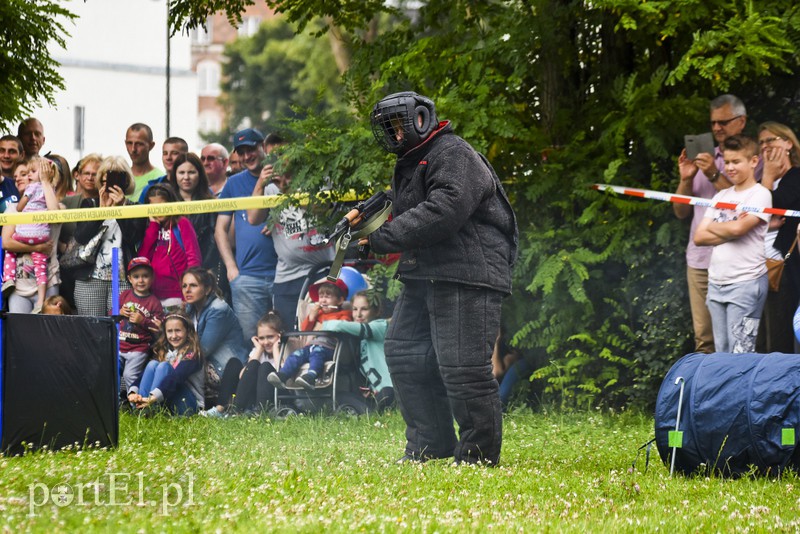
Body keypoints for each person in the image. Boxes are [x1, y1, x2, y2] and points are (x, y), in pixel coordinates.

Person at [365, 91, 517, 465]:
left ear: (420, 119)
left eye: (399, 127)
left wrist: (381, 237)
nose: (396, 136)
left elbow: (444, 209)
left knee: (463, 368)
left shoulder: (454, 153)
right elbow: (410, 206)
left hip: (468, 272)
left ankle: (478, 455)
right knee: (403, 353)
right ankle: (430, 443)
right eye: (390, 130)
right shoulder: (413, 162)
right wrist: (368, 213)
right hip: (427, 271)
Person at [674, 95, 758, 353]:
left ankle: (739, 392)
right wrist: (687, 178)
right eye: (713, 124)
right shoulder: (701, 159)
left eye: (723, 122)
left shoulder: (751, 157)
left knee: (739, 343)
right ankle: (709, 393)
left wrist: (713, 173)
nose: (717, 129)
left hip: (738, 263)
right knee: (705, 341)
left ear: (741, 121)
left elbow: (743, 200)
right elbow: (680, 212)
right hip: (700, 261)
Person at [694, 135, 771, 353]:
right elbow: (699, 237)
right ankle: (725, 389)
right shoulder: (721, 195)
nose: (730, 168)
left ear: (754, 161)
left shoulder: (761, 195)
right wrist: (734, 226)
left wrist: (727, 228)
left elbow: (739, 230)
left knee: (741, 351)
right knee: (722, 351)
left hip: (746, 283)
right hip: (716, 282)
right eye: (727, 162)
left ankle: (742, 389)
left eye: (736, 162)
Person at [247, 152, 334, 327]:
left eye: (289, 175)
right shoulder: (271, 188)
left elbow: (320, 207)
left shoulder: (318, 180)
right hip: (287, 275)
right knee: (287, 333)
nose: (284, 181)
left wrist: (288, 188)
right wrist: (260, 184)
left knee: (319, 330)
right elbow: (253, 219)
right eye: (280, 176)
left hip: (322, 270)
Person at [215, 128, 278, 342]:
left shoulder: (282, 176)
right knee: (251, 340)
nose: (246, 156)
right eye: (241, 152)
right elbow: (220, 229)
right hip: (248, 276)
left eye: (250, 149)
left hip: (285, 273)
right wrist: (231, 268)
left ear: (262, 147)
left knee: (288, 336)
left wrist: (277, 220)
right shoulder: (233, 183)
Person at [72, 156, 146, 316]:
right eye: (105, 182)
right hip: (90, 278)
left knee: (121, 329)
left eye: (116, 182)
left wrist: (120, 209)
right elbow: (81, 237)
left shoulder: (135, 208)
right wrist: (101, 211)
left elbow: (133, 238)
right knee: (92, 328)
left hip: (123, 280)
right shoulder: (89, 204)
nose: (109, 187)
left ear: (126, 182)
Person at [755, 122, 800, 353]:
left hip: (783, 271)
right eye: (761, 142)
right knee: (760, 340)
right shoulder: (763, 182)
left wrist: (768, 177)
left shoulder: (796, 176)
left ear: (788, 143)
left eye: (771, 140)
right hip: (756, 269)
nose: (765, 146)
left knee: (779, 341)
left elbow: (770, 204)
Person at [267, 279, 352, 391]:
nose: (323, 300)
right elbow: (304, 330)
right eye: (321, 296)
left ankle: (311, 377)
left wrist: (325, 323)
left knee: (317, 354)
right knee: (296, 355)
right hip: (311, 346)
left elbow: (343, 326)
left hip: (329, 348)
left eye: (328, 296)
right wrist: (311, 317)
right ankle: (283, 375)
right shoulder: (318, 314)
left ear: (340, 300)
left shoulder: (344, 314)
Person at [1, 160, 62, 313]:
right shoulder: (13, 208)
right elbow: (7, 243)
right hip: (19, 287)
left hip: (48, 283)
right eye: (16, 177)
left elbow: (55, 215)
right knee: (21, 334)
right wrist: (37, 247)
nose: (20, 178)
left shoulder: (54, 205)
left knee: (48, 334)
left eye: (26, 174)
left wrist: (45, 182)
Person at [181, 267, 249, 399]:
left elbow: (203, 350)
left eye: (193, 285)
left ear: (207, 289)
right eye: (184, 286)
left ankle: (197, 405)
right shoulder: (191, 307)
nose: (187, 290)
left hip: (226, 369)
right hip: (207, 364)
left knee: (181, 365)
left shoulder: (218, 310)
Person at [167, 152, 228, 298]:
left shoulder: (211, 203)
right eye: (181, 172)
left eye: (191, 172)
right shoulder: (167, 204)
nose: (186, 177)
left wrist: (199, 272)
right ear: (174, 174)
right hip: (173, 274)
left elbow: (214, 240)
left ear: (199, 174)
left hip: (205, 271)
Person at [201, 311, 284, 417]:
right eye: (262, 338)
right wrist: (258, 350)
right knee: (234, 363)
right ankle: (222, 409)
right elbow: (243, 376)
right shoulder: (258, 351)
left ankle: (258, 412)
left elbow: (282, 374)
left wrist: (276, 349)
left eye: (270, 337)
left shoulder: (285, 349)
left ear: (280, 335)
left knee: (265, 367)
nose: (266, 342)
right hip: (253, 395)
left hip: (274, 395)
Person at [323, 290, 394, 410]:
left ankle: (382, 407)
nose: (358, 314)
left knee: (386, 393)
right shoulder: (360, 339)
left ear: (376, 311)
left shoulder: (380, 326)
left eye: (364, 309)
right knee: (341, 397)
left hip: (391, 390)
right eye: (355, 309)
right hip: (377, 393)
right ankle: (374, 408)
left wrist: (324, 324)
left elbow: (337, 326)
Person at [138, 183, 202, 310]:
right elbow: (142, 259)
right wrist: (153, 227)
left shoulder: (182, 223)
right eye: (153, 208)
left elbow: (193, 258)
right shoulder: (149, 227)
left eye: (163, 206)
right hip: (152, 295)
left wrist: (187, 295)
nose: (159, 211)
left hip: (177, 294)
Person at [127, 313, 204, 414]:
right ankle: (142, 408)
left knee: (164, 366)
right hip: (165, 398)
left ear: (187, 332)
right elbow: (144, 375)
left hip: (188, 404)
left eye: (178, 330)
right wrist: (133, 392)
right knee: (153, 364)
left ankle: (151, 410)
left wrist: (154, 397)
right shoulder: (166, 351)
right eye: (170, 331)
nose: (174, 336)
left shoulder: (193, 354)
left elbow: (176, 378)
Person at [118, 257, 164, 393]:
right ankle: (116, 403)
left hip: (139, 347)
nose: (141, 280)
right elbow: (111, 315)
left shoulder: (154, 302)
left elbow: (158, 328)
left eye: (145, 276)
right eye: (136, 276)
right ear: (130, 279)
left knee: (129, 375)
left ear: (152, 278)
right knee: (112, 372)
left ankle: (136, 405)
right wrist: (119, 312)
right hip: (120, 345)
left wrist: (142, 320)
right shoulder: (124, 295)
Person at [137, 137, 189, 204]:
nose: (168, 157)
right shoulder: (149, 188)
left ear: (186, 156)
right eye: (165, 153)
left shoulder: (197, 187)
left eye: (174, 153)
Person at [125, 123, 163, 201]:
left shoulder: (159, 179)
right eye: (129, 143)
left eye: (139, 144)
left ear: (151, 145)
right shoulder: (121, 177)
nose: (133, 149)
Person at [0, 135, 22, 212]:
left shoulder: (27, 185)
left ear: (22, 155)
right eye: (1, 151)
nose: (6, 156)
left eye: (12, 151)